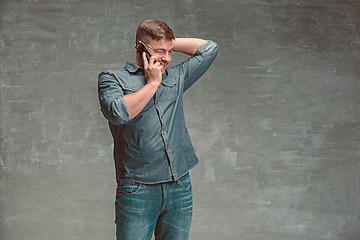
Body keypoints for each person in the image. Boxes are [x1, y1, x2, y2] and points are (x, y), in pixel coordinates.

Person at [98, 19, 218, 240]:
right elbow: (118, 113)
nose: (167, 58)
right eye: (160, 51)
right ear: (140, 47)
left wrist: (166, 43)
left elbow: (209, 49)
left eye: (170, 52)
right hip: (138, 189)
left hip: (180, 186)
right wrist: (152, 83)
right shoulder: (112, 79)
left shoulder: (176, 77)